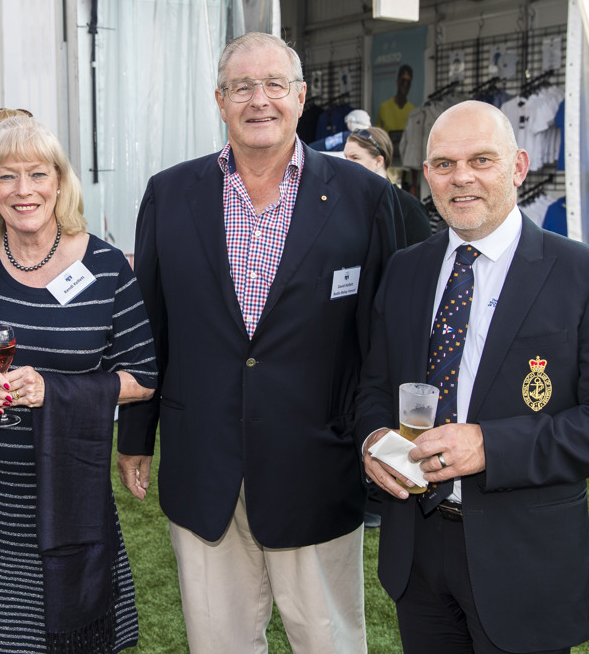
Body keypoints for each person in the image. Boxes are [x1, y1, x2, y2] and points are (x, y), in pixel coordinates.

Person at [117, 32, 403, 653]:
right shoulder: (170, 194)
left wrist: (381, 435)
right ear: (219, 100)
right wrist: (136, 435)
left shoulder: (367, 198)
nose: (259, 99)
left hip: (318, 467)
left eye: (275, 84)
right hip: (204, 465)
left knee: (328, 641)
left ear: (301, 98)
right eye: (242, 86)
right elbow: (149, 326)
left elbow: (383, 341)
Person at [356, 100, 589, 653]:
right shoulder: (406, 271)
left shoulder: (588, 276)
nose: (461, 177)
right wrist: (375, 438)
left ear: (518, 167)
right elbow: (374, 385)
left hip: (523, 559)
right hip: (416, 554)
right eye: (444, 164)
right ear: (427, 177)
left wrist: (490, 445)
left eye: (481, 160)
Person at [0, 115, 157, 652]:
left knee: (78, 639)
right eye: (6, 177)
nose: (24, 190)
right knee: (1, 640)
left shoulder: (106, 265)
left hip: (74, 499)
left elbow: (145, 377)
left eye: (38, 174)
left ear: (60, 182)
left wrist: (57, 392)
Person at [344, 126, 431, 244]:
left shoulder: (409, 208)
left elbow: (423, 256)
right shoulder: (346, 203)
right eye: (345, 157)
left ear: (378, 161)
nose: (345, 164)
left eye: (355, 158)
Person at [377, 64, 415, 133]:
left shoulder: (413, 111)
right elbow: (378, 136)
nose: (405, 84)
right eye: (403, 80)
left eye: (408, 82)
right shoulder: (384, 108)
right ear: (397, 81)